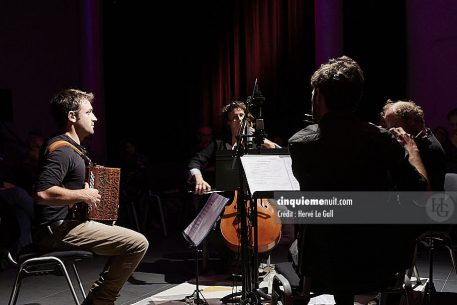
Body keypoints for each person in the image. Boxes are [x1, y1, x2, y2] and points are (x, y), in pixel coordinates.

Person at [288, 56, 428, 305]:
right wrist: (412, 152)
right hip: (375, 258)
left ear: (318, 97)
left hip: (321, 260)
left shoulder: (299, 143)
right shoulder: (381, 139)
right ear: (357, 97)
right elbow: (419, 190)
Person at [34, 89, 149, 305]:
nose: (95, 117)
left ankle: (100, 299)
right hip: (56, 229)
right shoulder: (61, 150)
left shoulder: (76, 150)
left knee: (127, 242)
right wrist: (83, 194)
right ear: (72, 116)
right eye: (89, 112)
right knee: (138, 243)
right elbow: (42, 193)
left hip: (67, 225)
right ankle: (101, 301)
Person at [188, 100, 279, 194]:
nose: (240, 119)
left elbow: (282, 158)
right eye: (235, 117)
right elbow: (195, 162)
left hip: (256, 197)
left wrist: (269, 144)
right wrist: (198, 178)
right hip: (228, 198)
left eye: (242, 115)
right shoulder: (219, 144)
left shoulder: (258, 142)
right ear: (228, 122)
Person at [382, 99, 446, 191]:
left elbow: (420, 191)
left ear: (411, 121)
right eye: (389, 129)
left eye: (395, 126)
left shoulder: (429, 148)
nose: (392, 132)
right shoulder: (421, 139)